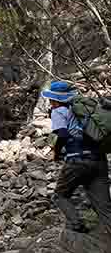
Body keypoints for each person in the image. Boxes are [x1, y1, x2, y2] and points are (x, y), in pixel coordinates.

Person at [42, 81, 111, 234]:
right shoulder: (86, 109)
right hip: (99, 160)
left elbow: (63, 134)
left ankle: (77, 227)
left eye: (51, 99)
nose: (50, 102)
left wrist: (56, 151)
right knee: (105, 209)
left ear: (55, 99)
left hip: (77, 161)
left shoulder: (59, 111)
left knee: (60, 196)